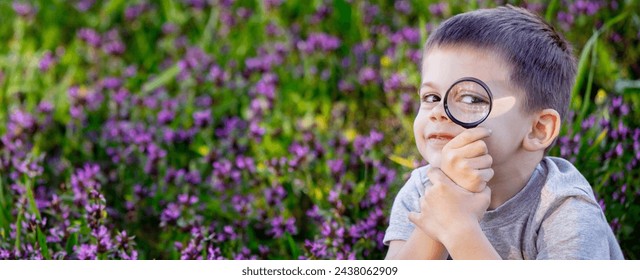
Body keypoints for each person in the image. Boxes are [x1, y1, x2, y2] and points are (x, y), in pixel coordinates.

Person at [383, 5, 624, 260]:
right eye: (431, 96)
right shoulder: (423, 189)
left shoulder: (565, 210)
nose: (438, 112)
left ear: (538, 129)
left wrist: (458, 229)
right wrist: (439, 219)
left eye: (470, 99)